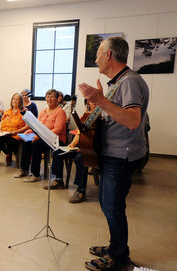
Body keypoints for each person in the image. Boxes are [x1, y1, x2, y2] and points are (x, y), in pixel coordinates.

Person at [78, 37, 149, 271]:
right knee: (109, 204)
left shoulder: (129, 82)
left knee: (112, 205)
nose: (96, 58)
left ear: (109, 55)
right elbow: (114, 116)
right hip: (112, 153)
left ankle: (118, 257)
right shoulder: (116, 83)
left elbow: (132, 120)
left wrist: (100, 100)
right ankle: (115, 245)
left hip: (121, 156)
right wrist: (95, 108)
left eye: (98, 53)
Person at [44, 99, 96, 204]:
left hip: (92, 147)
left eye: (94, 101)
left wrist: (84, 145)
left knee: (80, 158)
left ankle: (81, 190)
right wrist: (72, 144)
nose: (92, 103)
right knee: (57, 152)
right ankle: (59, 180)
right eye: (90, 101)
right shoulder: (86, 116)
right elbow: (79, 132)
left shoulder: (102, 116)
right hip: (80, 144)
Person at [14, 89, 66, 182]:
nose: (49, 99)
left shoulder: (60, 112)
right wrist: (30, 130)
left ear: (57, 99)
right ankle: (24, 169)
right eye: (47, 96)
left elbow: (57, 129)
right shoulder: (43, 111)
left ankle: (36, 174)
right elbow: (38, 126)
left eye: (52, 97)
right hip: (43, 137)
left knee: (36, 144)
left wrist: (41, 135)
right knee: (27, 141)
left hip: (55, 140)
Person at [0, 93, 29, 166]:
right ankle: (8, 154)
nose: (15, 101)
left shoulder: (24, 111)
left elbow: (27, 126)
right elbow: (1, 122)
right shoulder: (8, 111)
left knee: (11, 142)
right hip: (5, 133)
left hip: (16, 134)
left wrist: (16, 131)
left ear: (21, 101)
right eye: (14, 99)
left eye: (17, 99)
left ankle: (14, 155)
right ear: (11, 100)